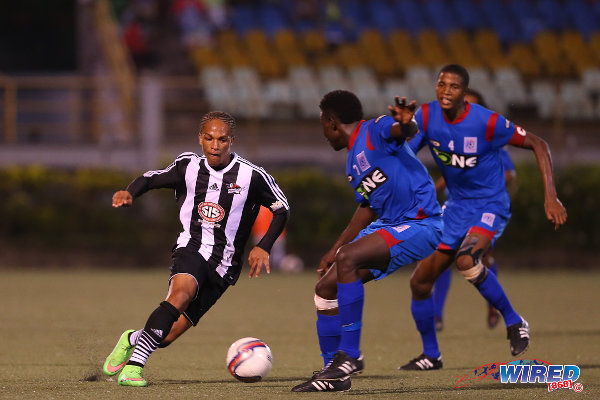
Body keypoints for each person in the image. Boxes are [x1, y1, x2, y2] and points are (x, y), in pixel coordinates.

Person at [103, 111, 290, 387]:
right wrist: (130, 192)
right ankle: (134, 368)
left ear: (231, 141)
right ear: (200, 139)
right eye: (209, 138)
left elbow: (282, 209)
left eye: (222, 139)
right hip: (191, 247)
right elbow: (150, 178)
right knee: (181, 294)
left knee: (166, 336)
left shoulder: (252, 176)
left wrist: (263, 246)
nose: (215, 144)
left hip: (225, 265)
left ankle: (131, 339)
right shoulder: (187, 166)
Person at [400, 64, 567, 371]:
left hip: (490, 205)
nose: (446, 91)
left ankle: (515, 321)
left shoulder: (487, 122)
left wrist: (551, 196)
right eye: (441, 84)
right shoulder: (425, 116)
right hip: (455, 207)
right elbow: (405, 155)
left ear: (465, 92)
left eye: (453, 86)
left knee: (466, 260)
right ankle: (431, 355)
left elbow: (538, 144)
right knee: (420, 282)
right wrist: (398, 133)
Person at [292, 90, 443, 392]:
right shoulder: (353, 164)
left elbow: (403, 130)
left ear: (332, 122)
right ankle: (333, 375)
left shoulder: (375, 129)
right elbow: (368, 208)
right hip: (389, 226)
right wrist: (334, 249)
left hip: (421, 223)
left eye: (323, 124)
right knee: (325, 289)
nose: (323, 133)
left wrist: (407, 123)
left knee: (349, 258)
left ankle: (349, 355)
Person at [431, 88, 517, 331]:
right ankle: (436, 315)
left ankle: (495, 305)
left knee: (481, 259)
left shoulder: (491, 138)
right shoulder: (451, 138)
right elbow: (453, 173)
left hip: (482, 209)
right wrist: (432, 189)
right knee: (443, 258)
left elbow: (510, 173)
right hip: (455, 209)